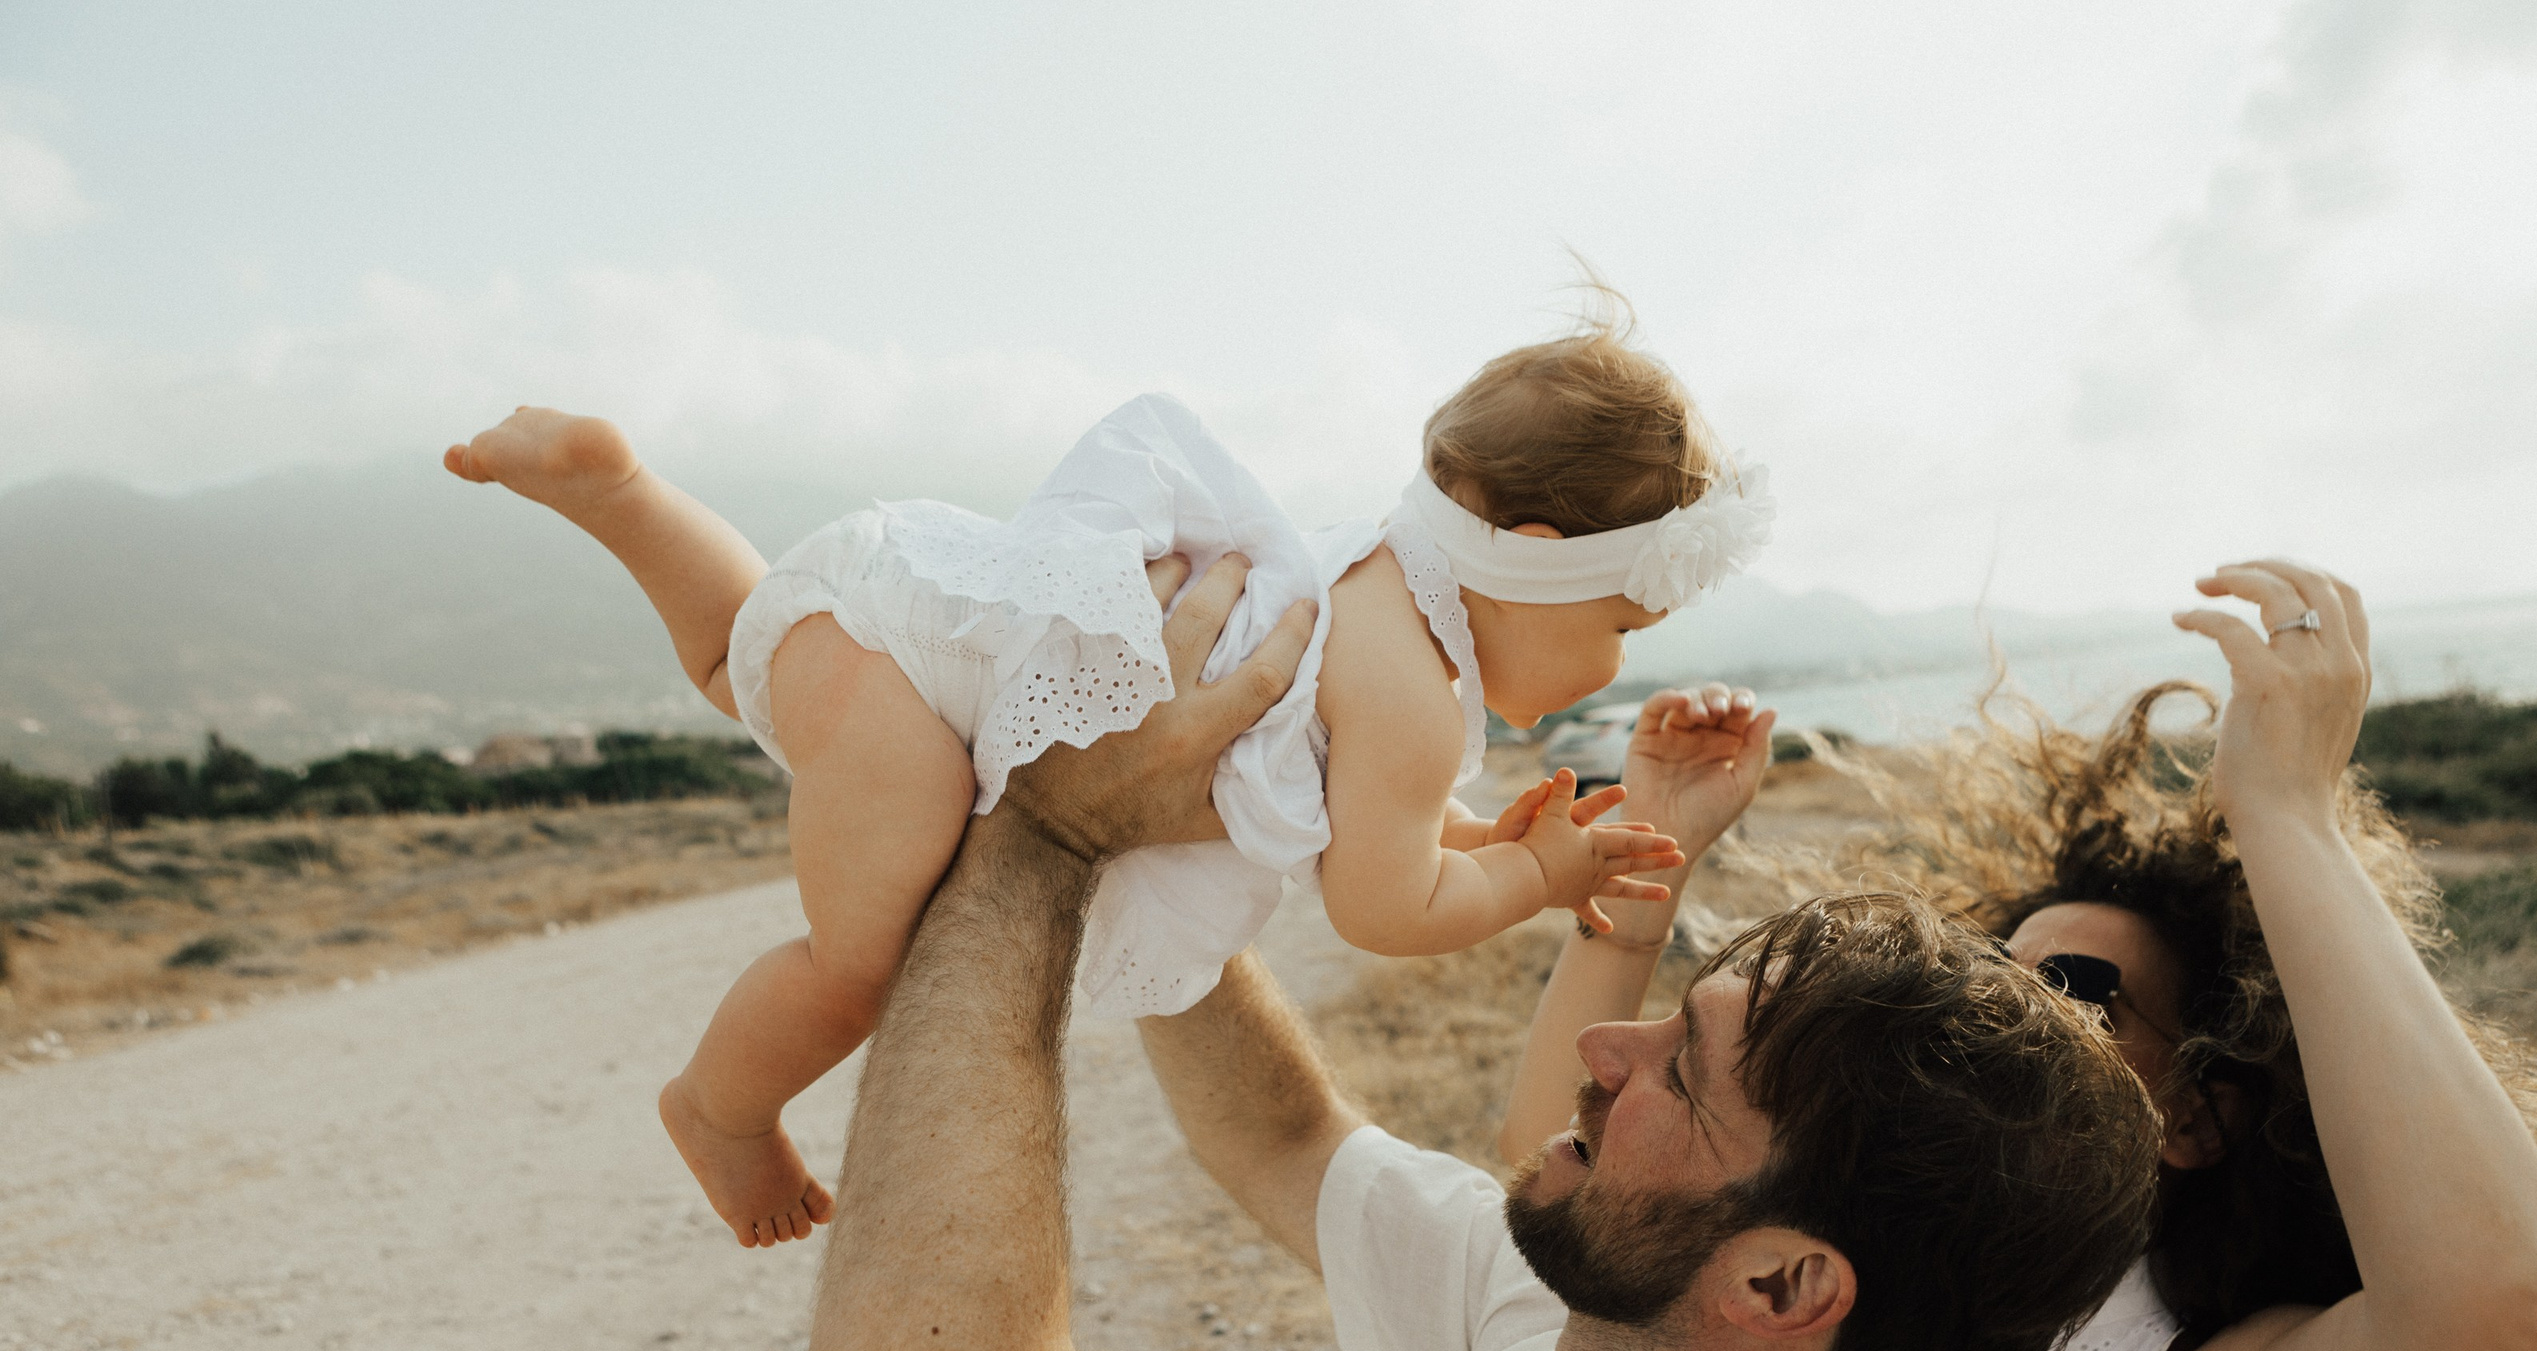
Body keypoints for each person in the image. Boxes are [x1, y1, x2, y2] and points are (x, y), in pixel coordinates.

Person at [785, 550, 2164, 1351]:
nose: (1605, 1051)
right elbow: (1289, 1141)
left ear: (1783, 1284)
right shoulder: (1600, 1335)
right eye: (1668, 1022)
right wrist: (1178, 817)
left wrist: (1050, 835)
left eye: (1680, 1078)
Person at [441, 297, 1761, 1248]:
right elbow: (1381, 904)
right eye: (1620, 627)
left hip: (912, 620)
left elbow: (1362, 819)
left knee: (755, 668)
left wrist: (1479, 839)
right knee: (864, 962)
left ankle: (625, 496)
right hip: (919, 679)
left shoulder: (1368, 575)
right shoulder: (1414, 689)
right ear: (1537, 557)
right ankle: (720, 1108)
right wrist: (1538, 874)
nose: (1611, 665)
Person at [1496, 560, 2537, 1351]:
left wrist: (2289, 817)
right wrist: (1644, 869)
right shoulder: (1853, 1294)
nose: (2001, 1019)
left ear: (2196, 1115)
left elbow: (2496, 1320)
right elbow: (1577, 1170)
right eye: (1989, 973)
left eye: (2073, 993)